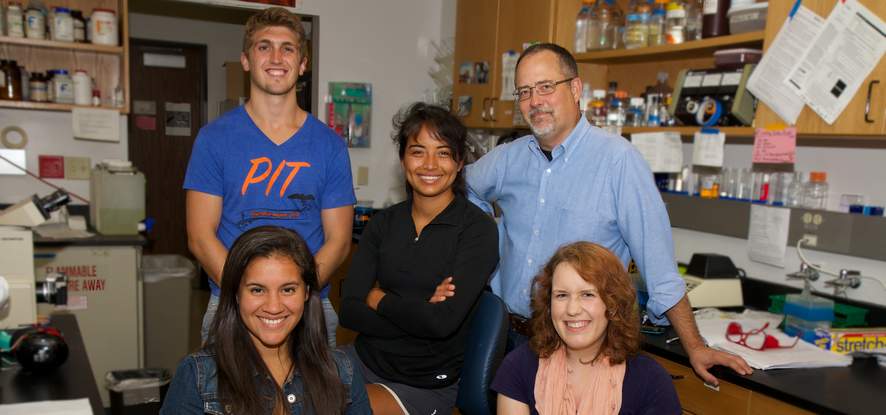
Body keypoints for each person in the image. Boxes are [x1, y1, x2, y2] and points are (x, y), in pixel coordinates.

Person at [465, 42, 751, 385]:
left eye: (545, 87)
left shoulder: (618, 161)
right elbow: (461, 189)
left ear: (575, 88)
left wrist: (695, 345)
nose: (534, 100)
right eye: (524, 91)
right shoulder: (510, 158)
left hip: (580, 350)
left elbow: (658, 268)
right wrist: (488, 247)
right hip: (509, 338)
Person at [184, 7, 354, 346]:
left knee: (313, 400)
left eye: (287, 48)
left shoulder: (330, 145)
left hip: (309, 309)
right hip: (230, 305)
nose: (276, 57)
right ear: (246, 59)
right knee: (226, 400)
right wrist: (251, 295)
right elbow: (201, 237)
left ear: (302, 64)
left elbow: (338, 241)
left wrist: (294, 296)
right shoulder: (213, 139)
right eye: (264, 46)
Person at [339, 103, 499, 415]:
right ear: (403, 159)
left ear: (459, 160)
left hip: (424, 381)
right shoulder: (384, 222)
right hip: (363, 360)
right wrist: (421, 312)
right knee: (283, 391)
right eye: (417, 151)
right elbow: (349, 310)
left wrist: (379, 299)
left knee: (343, 408)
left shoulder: (477, 231)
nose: (430, 164)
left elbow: (441, 324)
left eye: (443, 152)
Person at [161, 226, 371, 414]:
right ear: (236, 294)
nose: (273, 307)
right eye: (257, 290)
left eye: (288, 289)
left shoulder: (343, 370)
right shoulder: (198, 375)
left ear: (306, 293)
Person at [492, 241, 681, 415]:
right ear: (548, 305)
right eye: (562, 295)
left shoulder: (651, 381)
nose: (572, 310)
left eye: (588, 295)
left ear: (613, 304)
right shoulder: (518, 367)